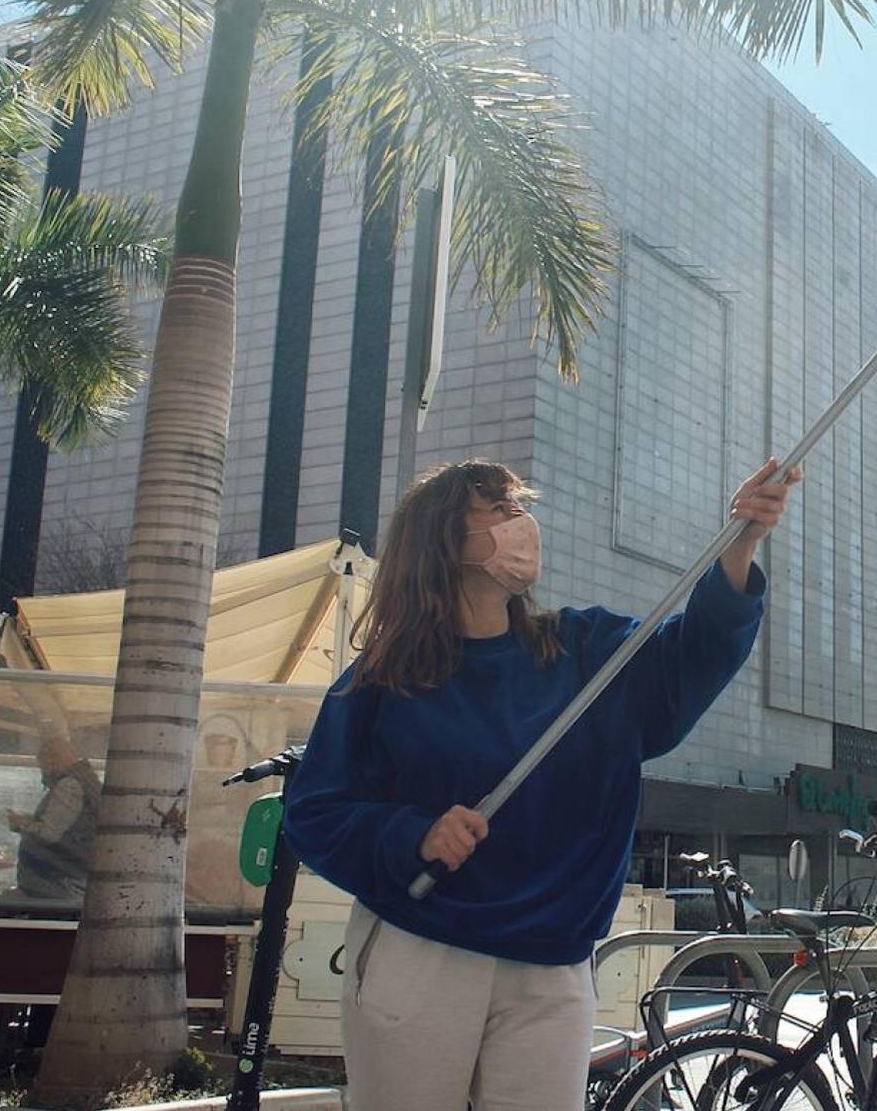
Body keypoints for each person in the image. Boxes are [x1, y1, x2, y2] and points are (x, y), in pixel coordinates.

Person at [285, 457, 797, 1111]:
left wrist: (742, 541)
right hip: (419, 955)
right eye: (496, 510)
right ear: (445, 540)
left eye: (518, 506)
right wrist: (411, 836)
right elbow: (316, 813)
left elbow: (690, 656)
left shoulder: (585, 649)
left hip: (554, 966)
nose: (521, 522)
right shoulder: (382, 681)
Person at [9, 733, 101, 900]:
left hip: (58, 886)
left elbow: (49, 834)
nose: (43, 772)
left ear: (52, 760)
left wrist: (21, 824)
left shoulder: (69, 786)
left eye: (42, 765)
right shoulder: (85, 782)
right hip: (66, 882)